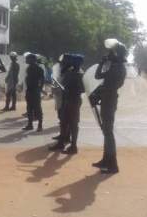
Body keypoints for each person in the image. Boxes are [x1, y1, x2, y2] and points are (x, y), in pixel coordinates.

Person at [90, 39, 127, 174]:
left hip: (109, 100)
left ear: (116, 54)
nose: (109, 54)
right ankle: (106, 159)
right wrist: (104, 62)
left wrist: (102, 62)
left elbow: (101, 78)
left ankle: (113, 164)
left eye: (112, 52)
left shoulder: (117, 69)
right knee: (106, 131)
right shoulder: (117, 67)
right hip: (108, 99)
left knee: (108, 132)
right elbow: (100, 77)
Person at [49, 54, 85, 154]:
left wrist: (71, 90)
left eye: (74, 61)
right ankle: (61, 142)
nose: (72, 62)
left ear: (79, 63)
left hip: (74, 100)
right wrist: (57, 88)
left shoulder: (80, 74)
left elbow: (82, 89)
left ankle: (74, 146)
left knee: (73, 124)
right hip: (67, 100)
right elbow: (63, 83)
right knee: (63, 121)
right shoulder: (69, 72)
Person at [23, 53, 45, 131]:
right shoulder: (29, 68)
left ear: (32, 59)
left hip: (35, 90)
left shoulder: (39, 68)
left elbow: (42, 80)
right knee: (29, 108)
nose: (26, 60)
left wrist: (40, 89)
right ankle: (30, 125)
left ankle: (40, 125)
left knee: (37, 108)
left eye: (27, 58)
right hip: (29, 90)